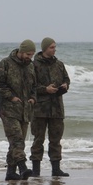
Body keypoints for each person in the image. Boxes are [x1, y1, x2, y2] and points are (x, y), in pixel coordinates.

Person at [0, 40, 37, 180]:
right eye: (28, 54)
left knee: (17, 143)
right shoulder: (5, 63)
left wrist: (33, 98)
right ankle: (23, 168)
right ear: (21, 51)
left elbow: (35, 86)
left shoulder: (30, 66)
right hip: (8, 110)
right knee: (17, 140)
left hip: (25, 111)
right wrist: (11, 97)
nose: (30, 57)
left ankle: (11, 173)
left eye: (32, 55)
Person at [30, 37, 71, 177]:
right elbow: (30, 87)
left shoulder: (59, 64)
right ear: (45, 48)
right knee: (38, 140)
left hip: (57, 108)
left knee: (56, 140)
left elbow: (67, 79)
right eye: (52, 47)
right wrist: (45, 89)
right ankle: (36, 171)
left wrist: (65, 85)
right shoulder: (34, 65)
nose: (54, 49)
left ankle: (56, 169)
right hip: (39, 109)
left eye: (55, 47)